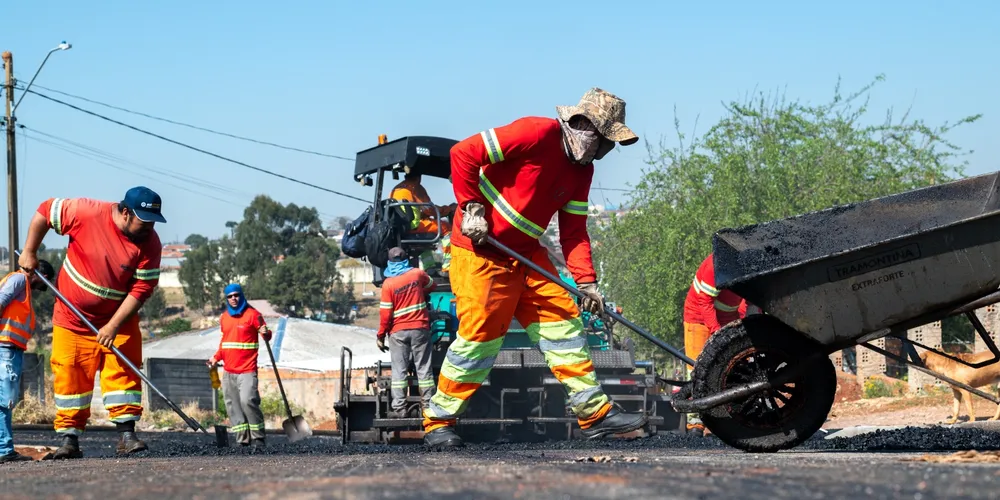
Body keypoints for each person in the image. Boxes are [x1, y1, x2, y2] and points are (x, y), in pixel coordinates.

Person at [421, 88, 648, 448]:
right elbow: (462, 153)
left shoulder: (581, 173)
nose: (605, 153)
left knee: (564, 323)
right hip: (482, 252)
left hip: (527, 253)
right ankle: (438, 421)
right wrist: (472, 209)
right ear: (582, 125)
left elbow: (574, 232)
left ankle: (595, 415)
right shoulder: (535, 133)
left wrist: (587, 283)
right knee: (480, 337)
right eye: (604, 142)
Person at [18, 186, 165, 459]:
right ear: (124, 212)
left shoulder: (150, 242)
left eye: (152, 222)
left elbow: (143, 288)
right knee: (70, 374)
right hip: (72, 318)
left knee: (123, 374)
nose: (149, 228)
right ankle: (69, 440)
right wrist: (29, 251)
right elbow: (44, 211)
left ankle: (127, 436)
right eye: (143, 221)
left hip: (118, 318)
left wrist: (113, 326)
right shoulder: (85, 212)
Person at [682, 252, 760, 435]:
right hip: (698, 317)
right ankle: (695, 423)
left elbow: (751, 305)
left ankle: (730, 417)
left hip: (728, 316)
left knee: (734, 365)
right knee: (696, 367)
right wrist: (717, 334)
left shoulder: (750, 268)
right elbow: (705, 301)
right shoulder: (714, 266)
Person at [0, 260, 55, 463]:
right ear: (43, 278)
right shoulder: (19, 280)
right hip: (5, 347)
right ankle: (4, 449)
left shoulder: (21, 284)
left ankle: (4, 448)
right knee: (4, 400)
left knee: (4, 400)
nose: (42, 289)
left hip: (10, 347)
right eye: (44, 285)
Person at [207, 284, 271, 448]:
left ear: (241, 295)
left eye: (236, 295)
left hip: (247, 371)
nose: (233, 299)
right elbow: (225, 343)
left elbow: (267, 335)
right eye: (229, 296)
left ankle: (258, 438)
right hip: (229, 372)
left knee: (247, 401)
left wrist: (265, 332)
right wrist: (215, 357)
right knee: (233, 406)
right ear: (226, 298)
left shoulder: (253, 315)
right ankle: (242, 440)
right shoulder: (224, 318)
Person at [377, 247, 437, 417]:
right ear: (406, 260)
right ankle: (428, 406)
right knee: (424, 371)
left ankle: (400, 409)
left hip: (398, 332)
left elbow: (385, 314)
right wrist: (418, 290)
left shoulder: (388, 284)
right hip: (420, 329)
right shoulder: (417, 274)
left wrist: (380, 335)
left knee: (399, 371)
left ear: (389, 262)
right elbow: (433, 285)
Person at [389, 170, 458, 273]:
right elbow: (430, 209)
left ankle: (429, 267)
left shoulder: (396, 189)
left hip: (401, 228)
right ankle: (448, 266)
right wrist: (448, 209)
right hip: (414, 227)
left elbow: (409, 210)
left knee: (425, 240)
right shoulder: (415, 187)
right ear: (419, 177)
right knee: (447, 229)